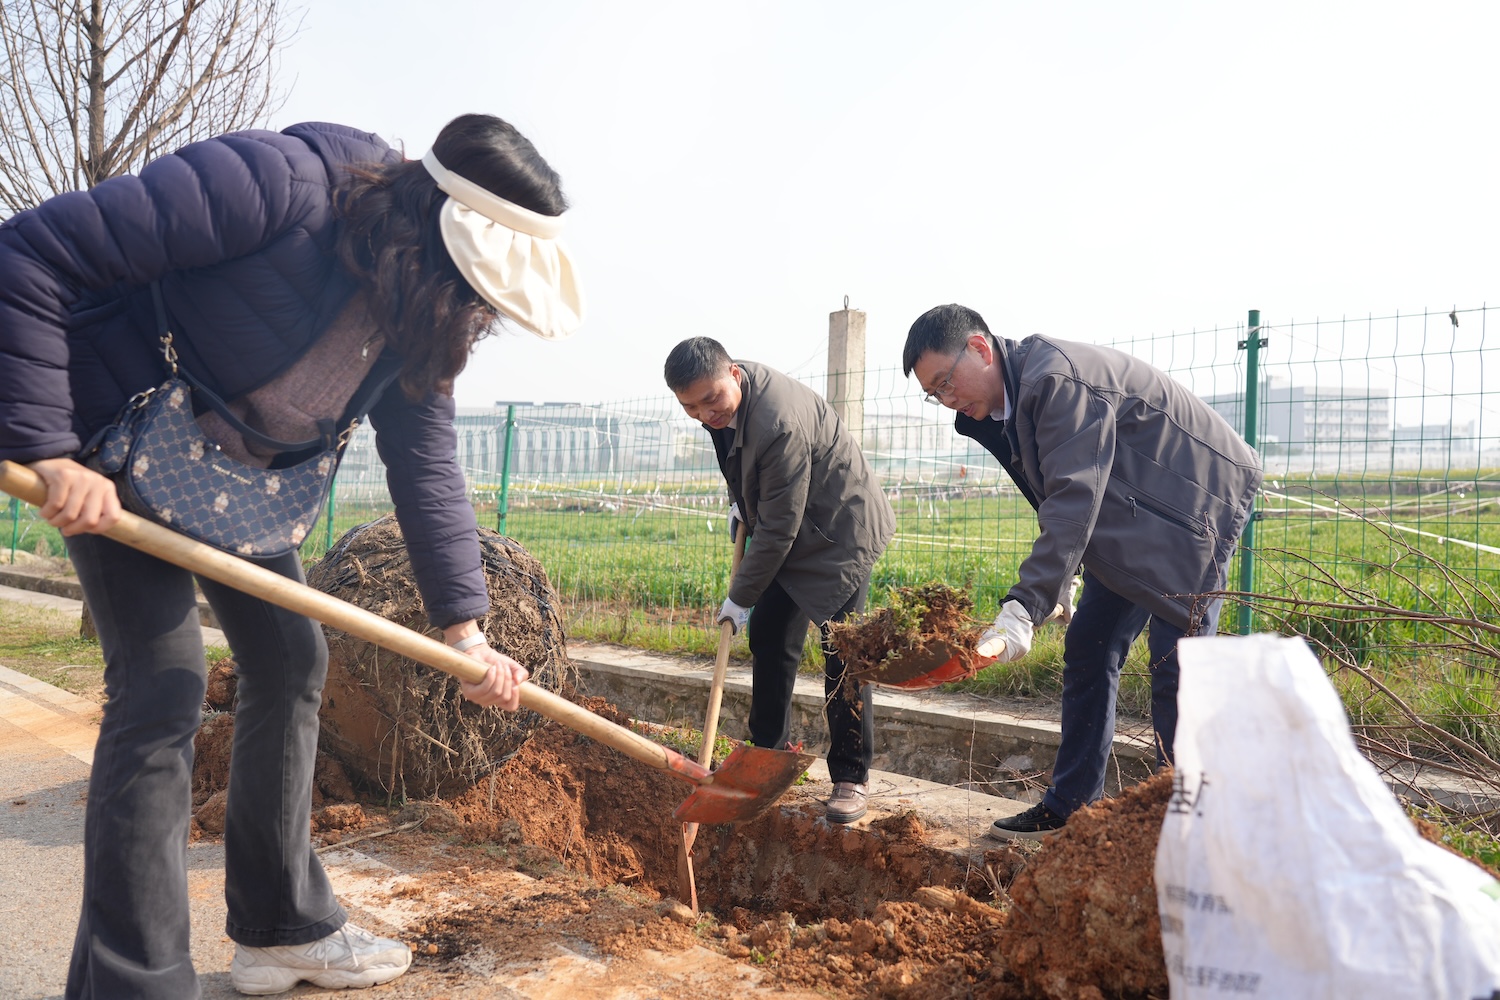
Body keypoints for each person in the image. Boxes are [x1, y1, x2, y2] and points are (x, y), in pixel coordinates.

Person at [0, 114, 583, 997]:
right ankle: (135, 982)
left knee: (289, 654)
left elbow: (425, 463)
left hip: (235, 488)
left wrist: (466, 632)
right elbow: (33, 253)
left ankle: (281, 929)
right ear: (431, 231)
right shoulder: (273, 187)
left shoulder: (424, 317)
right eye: (471, 290)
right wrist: (46, 448)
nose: (475, 311)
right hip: (117, 456)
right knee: (163, 686)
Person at [903, 304, 1261, 840]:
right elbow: (1056, 495)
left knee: (1179, 666)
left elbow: (1074, 496)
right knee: (1091, 645)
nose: (948, 399)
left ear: (979, 348)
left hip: (1195, 505)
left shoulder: (1054, 381)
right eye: (935, 395)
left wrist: (1025, 605)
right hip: (1133, 512)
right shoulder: (1005, 408)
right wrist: (1063, 576)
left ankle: (1190, 828)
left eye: (947, 382)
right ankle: (1071, 805)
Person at [664, 337, 895, 823]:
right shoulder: (721, 404)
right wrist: (740, 501)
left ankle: (851, 776)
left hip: (838, 532)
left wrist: (739, 596)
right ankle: (768, 754)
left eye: (710, 400)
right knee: (771, 633)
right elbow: (743, 469)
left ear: (735, 374)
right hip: (790, 526)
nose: (705, 413)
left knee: (844, 653)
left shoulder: (778, 422)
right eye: (690, 406)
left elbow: (778, 530)